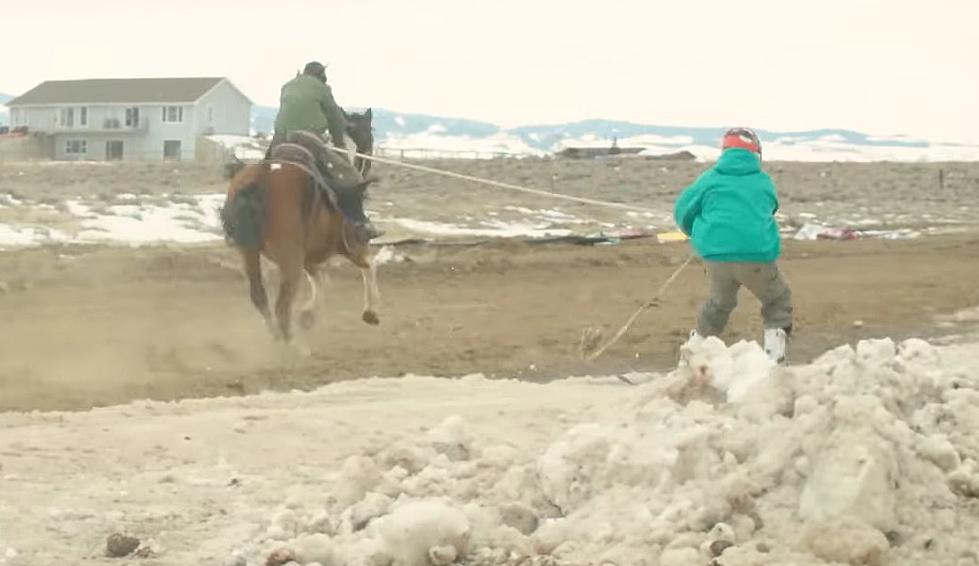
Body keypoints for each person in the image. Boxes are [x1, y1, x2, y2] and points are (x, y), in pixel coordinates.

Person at [673, 127, 793, 363]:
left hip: (715, 256)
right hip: (757, 256)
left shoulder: (709, 179)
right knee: (777, 300)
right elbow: (770, 207)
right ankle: (773, 360)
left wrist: (696, 233)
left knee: (720, 303)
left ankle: (693, 354)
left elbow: (682, 211)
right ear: (755, 153)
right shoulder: (763, 182)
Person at [267, 61, 382, 241]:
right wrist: (339, 145)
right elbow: (336, 120)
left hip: (280, 140)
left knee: (262, 169)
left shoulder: (287, 87)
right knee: (351, 177)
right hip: (308, 140)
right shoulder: (322, 89)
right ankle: (361, 225)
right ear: (321, 76)